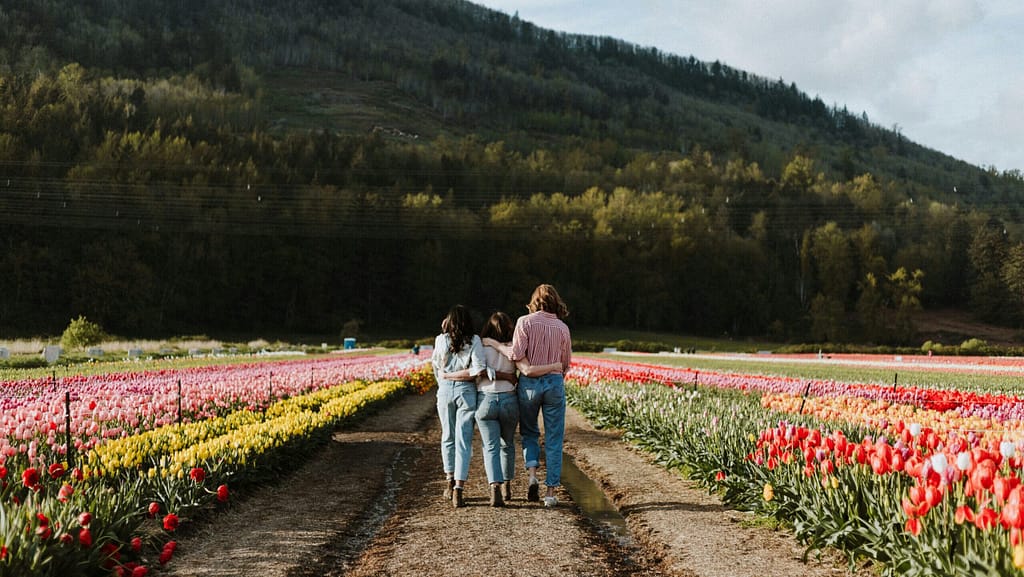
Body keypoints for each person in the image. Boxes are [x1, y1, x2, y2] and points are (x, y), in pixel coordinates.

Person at [447, 312, 560, 507]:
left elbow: (478, 371)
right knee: (507, 445)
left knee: (490, 447)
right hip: (509, 399)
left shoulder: (481, 346)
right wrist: (508, 377)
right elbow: (520, 371)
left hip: (485, 399)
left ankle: (495, 489)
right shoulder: (513, 348)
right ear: (510, 328)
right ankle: (508, 485)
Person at [484, 284, 571, 508]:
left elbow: (515, 354)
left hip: (529, 384)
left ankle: (532, 476)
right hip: (553, 383)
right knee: (553, 438)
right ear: (556, 302)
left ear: (534, 301)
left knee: (530, 432)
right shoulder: (562, 328)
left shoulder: (525, 321)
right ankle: (550, 492)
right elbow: (565, 364)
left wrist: (493, 343)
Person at [431, 305, 486, 508]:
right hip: (467, 391)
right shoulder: (474, 340)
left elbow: (437, 367)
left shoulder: (440, 340)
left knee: (447, 437)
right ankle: (459, 489)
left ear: (449, 322)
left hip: (445, 390)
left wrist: (447, 377)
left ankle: (449, 479)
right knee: (464, 440)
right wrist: (461, 375)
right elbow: (478, 370)